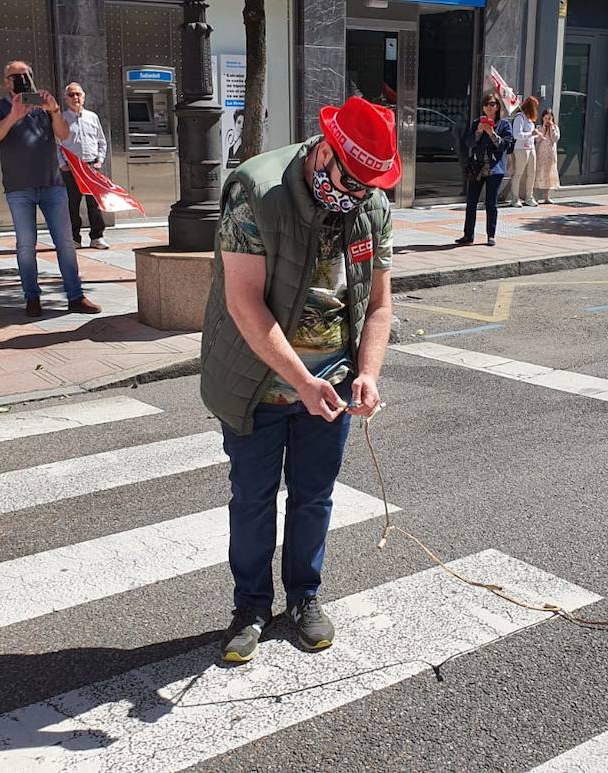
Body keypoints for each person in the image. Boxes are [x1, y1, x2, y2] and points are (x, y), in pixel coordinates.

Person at [202, 95, 396, 663]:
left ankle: (304, 597)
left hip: (330, 387)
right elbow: (243, 304)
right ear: (327, 152)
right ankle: (251, 606)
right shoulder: (256, 191)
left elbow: (379, 304)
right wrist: (301, 383)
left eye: (370, 186)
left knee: (314, 498)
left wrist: (367, 373)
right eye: (352, 180)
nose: (358, 195)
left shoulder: (371, 206)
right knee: (253, 499)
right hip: (257, 382)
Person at [0, 60, 100, 317]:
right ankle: (32, 298)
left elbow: (64, 135)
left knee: (66, 243)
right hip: (18, 188)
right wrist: (13, 115)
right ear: (6, 82)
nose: (23, 79)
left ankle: (75, 296)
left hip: (52, 186)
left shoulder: (44, 106)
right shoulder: (0, 107)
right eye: (16, 76)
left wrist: (55, 110)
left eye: (27, 74)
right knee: (26, 245)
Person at [456, 93, 514, 247]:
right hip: (478, 167)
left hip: (495, 169)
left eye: (493, 104)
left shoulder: (504, 125)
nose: (489, 107)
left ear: (497, 107)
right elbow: (468, 143)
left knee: (491, 203)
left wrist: (492, 133)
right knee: (471, 202)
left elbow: (505, 145)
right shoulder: (477, 123)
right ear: (482, 107)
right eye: (487, 104)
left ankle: (491, 235)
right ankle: (468, 235)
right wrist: (478, 132)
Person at [58, 82, 109, 250]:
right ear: (66, 99)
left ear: (84, 96)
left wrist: (100, 159)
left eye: (78, 94)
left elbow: (101, 141)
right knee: (72, 204)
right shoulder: (61, 119)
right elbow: (56, 145)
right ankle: (74, 239)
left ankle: (97, 237)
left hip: (91, 166)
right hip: (71, 168)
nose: (75, 98)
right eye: (71, 95)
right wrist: (62, 164)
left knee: (94, 204)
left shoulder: (92, 117)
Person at [508, 96, 539, 207]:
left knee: (532, 173)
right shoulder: (519, 117)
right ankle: (515, 198)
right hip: (521, 149)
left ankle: (529, 197)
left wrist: (535, 135)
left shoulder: (529, 119)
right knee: (518, 173)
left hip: (531, 148)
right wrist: (531, 134)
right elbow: (517, 134)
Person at [534, 108, 561, 204]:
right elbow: (537, 140)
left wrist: (552, 128)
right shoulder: (538, 127)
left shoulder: (555, 128)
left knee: (549, 174)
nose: (548, 120)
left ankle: (547, 196)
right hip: (541, 153)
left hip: (550, 154)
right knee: (538, 173)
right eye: (546, 118)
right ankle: (535, 196)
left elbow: (555, 139)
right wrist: (544, 128)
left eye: (549, 118)